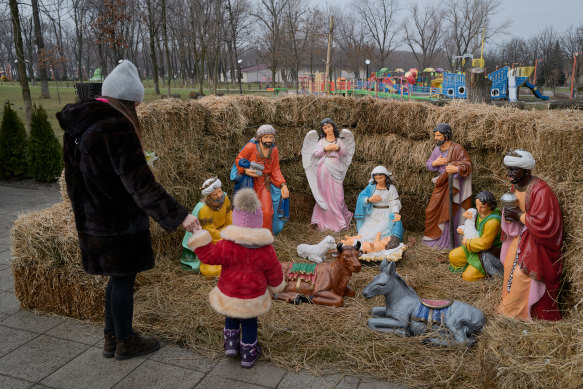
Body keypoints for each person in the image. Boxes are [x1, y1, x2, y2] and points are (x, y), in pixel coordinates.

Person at [57, 60, 200, 360]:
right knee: (123, 279)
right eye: (135, 102)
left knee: (116, 277)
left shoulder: (80, 123)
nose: (138, 107)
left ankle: (111, 338)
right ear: (126, 100)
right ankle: (126, 341)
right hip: (118, 221)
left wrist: (84, 211)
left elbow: (72, 178)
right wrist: (180, 216)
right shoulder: (117, 127)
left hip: (93, 217)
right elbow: (141, 185)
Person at [187, 188, 285, 368]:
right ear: (259, 222)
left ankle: (231, 345)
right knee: (249, 322)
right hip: (252, 296)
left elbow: (209, 257)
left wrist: (200, 237)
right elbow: (274, 271)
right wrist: (277, 285)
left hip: (229, 292)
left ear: (236, 220)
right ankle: (248, 352)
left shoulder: (226, 244)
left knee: (230, 314)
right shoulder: (266, 250)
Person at [498, 149, 563, 321]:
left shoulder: (541, 191)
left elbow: (545, 225)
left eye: (514, 170)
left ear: (526, 171)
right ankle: (509, 309)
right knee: (508, 267)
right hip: (519, 237)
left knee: (521, 275)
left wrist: (519, 215)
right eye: (508, 169)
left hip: (536, 243)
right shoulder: (515, 186)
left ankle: (522, 314)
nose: (509, 173)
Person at [423, 123, 472, 249]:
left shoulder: (457, 148)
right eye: (435, 135)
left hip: (454, 185)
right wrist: (435, 162)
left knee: (450, 210)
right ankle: (436, 237)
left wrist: (456, 168)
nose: (436, 138)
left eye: (438, 135)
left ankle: (448, 241)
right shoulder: (437, 150)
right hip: (441, 183)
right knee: (431, 209)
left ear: (446, 136)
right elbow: (428, 165)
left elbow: (468, 165)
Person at [233, 125, 289, 234]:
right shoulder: (250, 147)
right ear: (260, 138)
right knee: (248, 210)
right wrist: (245, 171)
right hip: (250, 182)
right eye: (266, 137)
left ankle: (264, 237)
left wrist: (283, 185)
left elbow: (276, 170)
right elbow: (239, 159)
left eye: (271, 137)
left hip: (265, 183)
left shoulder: (274, 150)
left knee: (267, 212)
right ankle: (248, 236)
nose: (269, 140)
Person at [302, 118, 355, 232]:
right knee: (326, 195)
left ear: (333, 127)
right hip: (324, 168)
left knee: (339, 197)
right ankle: (331, 224)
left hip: (336, 167)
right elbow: (316, 154)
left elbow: (345, 153)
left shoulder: (338, 141)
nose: (327, 129)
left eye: (329, 127)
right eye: (325, 128)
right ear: (323, 130)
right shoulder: (321, 141)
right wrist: (326, 148)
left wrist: (337, 148)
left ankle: (341, 218)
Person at [180, 176, 232, 277]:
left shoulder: (225, 198)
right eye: (215, 194)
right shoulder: (204, 209)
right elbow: (211, 231)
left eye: (220, 191)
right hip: (212, 239)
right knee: (211, 268)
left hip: (225, 231)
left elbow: (229, 214)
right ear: (208, 197)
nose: (219, 195)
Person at [448, 191, 502, 281]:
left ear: (490, 206)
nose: (479, 209)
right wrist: (464, 230)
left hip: (487, 254)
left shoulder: (493, 222)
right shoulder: (480, 214)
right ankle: (470, 265)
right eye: (477, 205)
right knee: (453, 255)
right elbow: (472, 225)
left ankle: (482, 271)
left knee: (468, 277)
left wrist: (468, 242)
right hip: (474, 247)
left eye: (483, 207)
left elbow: (485, 244)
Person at [354, 166, 404, 242]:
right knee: (362, 235)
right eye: (376, 178)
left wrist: (395, 212)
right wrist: (369, 199)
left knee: (372, 237)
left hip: (385, 215)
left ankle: (378, 245)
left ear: (386, 177)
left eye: (381, 178)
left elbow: (394, 201)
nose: (378, 180)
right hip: (372, 214)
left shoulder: (391, 188)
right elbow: (361, 197)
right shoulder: (371, 187)